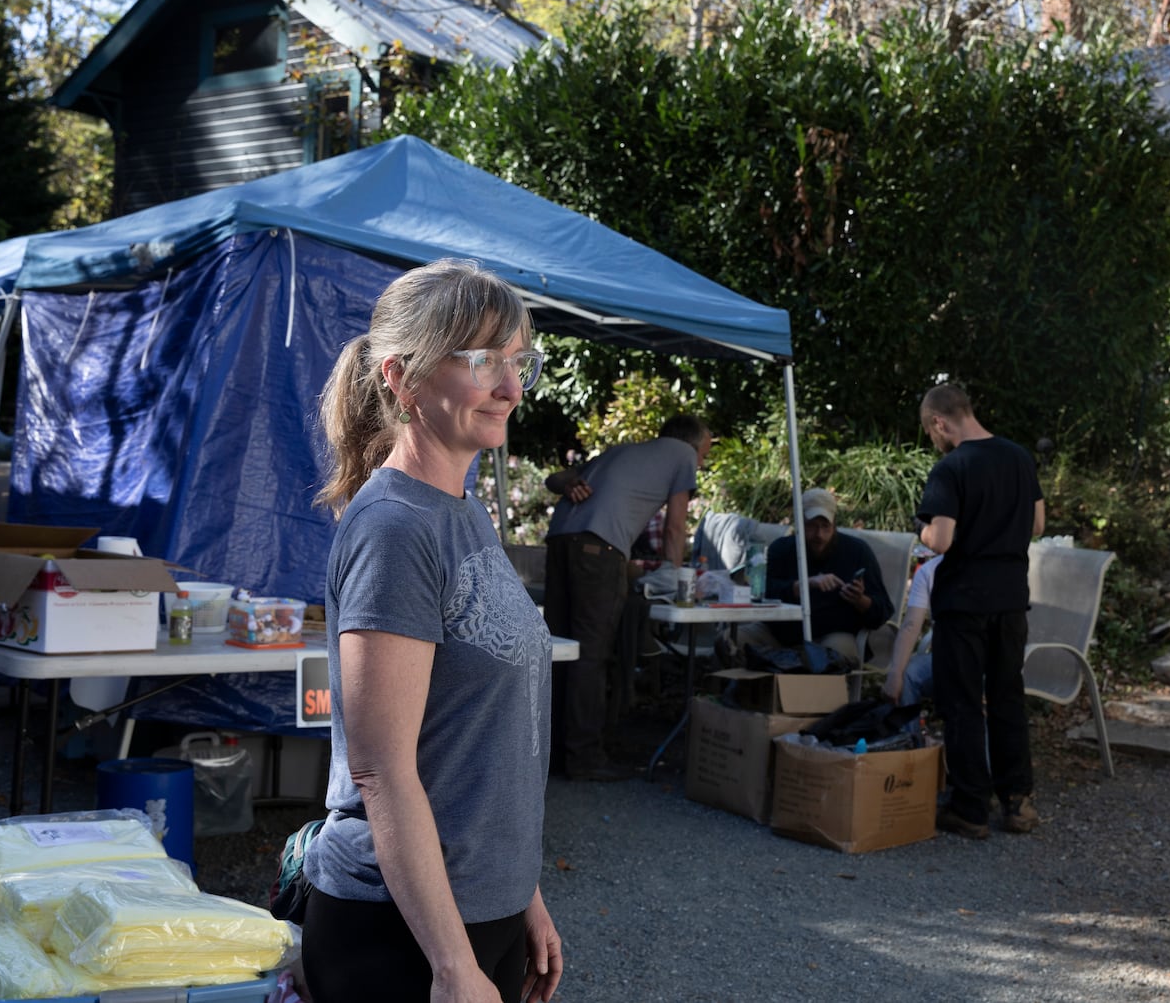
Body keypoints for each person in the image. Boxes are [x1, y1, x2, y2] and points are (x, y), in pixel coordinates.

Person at [302, 260, 562, 1003]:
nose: (510, 388)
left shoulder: (462, 510)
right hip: (401, 932)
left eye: (518, 362)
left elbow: (477, 741)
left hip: (479, 909)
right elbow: (381, 769)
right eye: (482, 360)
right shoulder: (394, 528)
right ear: (402, 378)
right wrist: (451, 963)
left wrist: (523, 893)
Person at [543, 414, 712, 780]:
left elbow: (552, 480)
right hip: (598, 549)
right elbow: (676, 526)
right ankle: (584, 757)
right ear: (692, 445)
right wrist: (677, 577)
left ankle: (549, 751)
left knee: (559, 649)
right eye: (705, 453)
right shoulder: (682, 456)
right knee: (590, 654)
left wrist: (571, 481)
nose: (701, 463)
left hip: (560, 543)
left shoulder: (623, 452)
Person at [916, 383, 1045, 840]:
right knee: (1008, 696)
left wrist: (924, 533)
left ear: (940, 422)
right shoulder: (1018, 457)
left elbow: (942, 539)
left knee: (964, 701)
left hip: (964, 601)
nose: (935, 439)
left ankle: (970, 807)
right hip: (1011, 598)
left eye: (932, 431)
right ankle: (1018, 802)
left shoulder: (950, 468)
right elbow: (1037, 524)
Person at [736, 488, 894, 662]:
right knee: (733, 640)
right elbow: (762, 594)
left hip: (832, 634)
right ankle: (747, 688)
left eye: (825, 526)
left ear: (834, 525)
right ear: (800, 524)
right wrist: (802, 585)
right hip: (780, 635)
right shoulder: (782, 549)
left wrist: (860, 600)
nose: (819, 535)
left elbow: (883, 611)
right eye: (811, 526)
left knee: (832, 657)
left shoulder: (857, 551)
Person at [883, 554, 941, 717]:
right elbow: (911, 625)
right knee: (907, 673)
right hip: (946, 659)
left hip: (984, 660)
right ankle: (911, 738)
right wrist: (895, 673)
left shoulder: (992, 565)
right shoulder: (929, 572)